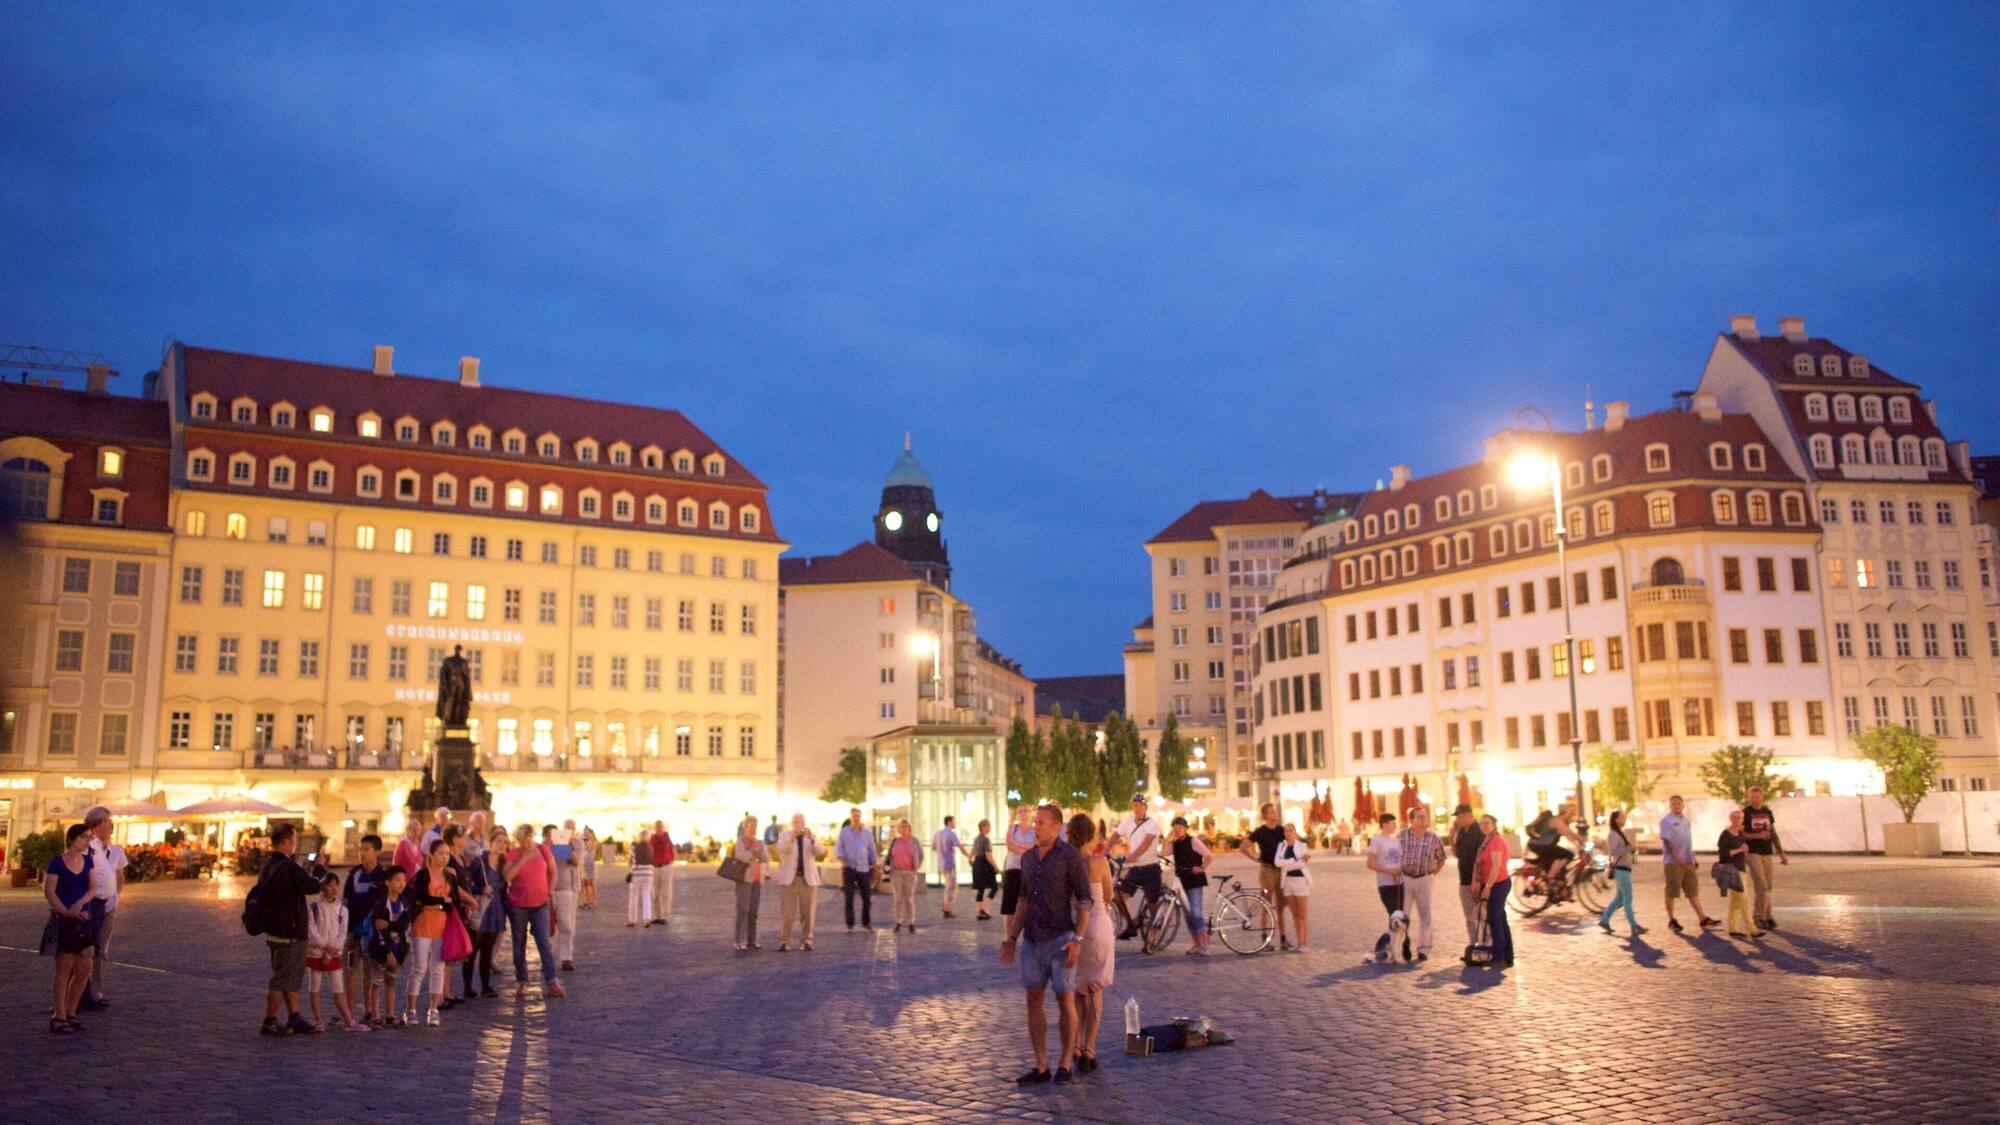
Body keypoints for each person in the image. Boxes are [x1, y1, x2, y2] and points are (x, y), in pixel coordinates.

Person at [1000, 804, 1092, 1087]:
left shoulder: (1070, 857)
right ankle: (1041, 1064)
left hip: (1061, 939)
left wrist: (1077, 938)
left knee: (1065, 1000)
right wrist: (1012, 938)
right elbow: (1023, 900)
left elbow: (1085, 900)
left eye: (1041, 823)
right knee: (1033, 1000)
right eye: (1035, 823)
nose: (1035, 828)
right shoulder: (1027, 859)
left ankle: (1065, 1062)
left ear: (1056, 827)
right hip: (1032, 940)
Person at [253, 823, 326, 1036]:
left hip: (274, 929)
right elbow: (313, 886)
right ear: (285, 842)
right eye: (293, 840)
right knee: (282, 978)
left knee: (289, 977)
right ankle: (270, 1020)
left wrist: (302, 869)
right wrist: (319, 868)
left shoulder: (269, 866)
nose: (294, 844)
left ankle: (294, 1016)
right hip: (290, 931)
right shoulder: (288, 867)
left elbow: (293, 885)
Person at [1066, 813, 1116, 1077]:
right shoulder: (1099, 862)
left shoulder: (1066, 862)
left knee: (1076, 990)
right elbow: (1108, 896)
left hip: (1074, 929)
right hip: (1098, 926)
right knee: (1095, 989)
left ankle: (1073, 1046)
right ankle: (1089, 1049)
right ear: (1092, 835)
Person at [405, 838, 471, 1026]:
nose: (444, 858)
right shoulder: (423, 875)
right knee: (419, 968)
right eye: (441, 854)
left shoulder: (450, 876)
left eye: (447, 854)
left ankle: (433, 1008)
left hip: (442, 927)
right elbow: (422, 897)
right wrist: (442, 902)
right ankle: (411, 1009)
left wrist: (450, 904)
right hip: (423, 925)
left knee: (438, 968)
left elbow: (455, 900)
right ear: (432, 855)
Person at [42, 823, 97, 1035]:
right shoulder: (57, 862)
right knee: (64, 967)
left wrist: (79, 904)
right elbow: (50, 891)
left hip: (83, 918)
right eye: (84, 837)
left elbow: (92, 888)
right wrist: (66, 911)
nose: (87, 841)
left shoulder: (88, 861)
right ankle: (59, 1015)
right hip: (63, 920)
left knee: (84, 967)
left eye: (89, 838)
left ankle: (72, 1012)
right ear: (72, 839)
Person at [503, 823, 564, 999]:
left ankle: (552, 981)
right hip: (518, 906)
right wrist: (523, 858)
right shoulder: (514, 854)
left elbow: (553, 872)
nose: (528, 845)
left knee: (544, 942)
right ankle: (522, 981)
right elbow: (507, 877)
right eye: (524, 842)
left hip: (540, 905)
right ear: (519, 841)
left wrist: (549, 892)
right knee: (518, 943)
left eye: (530, 841)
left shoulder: (543, 850)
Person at [305, 876, 367, 1031]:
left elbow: (342, 934)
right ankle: (318, 1020)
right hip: (315, 952)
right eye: (329, 885)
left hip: (333, 954)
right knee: (314, 987)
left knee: (338, 987)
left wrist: (331, 951)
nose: (333, 889)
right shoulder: (314, 907)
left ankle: (348, 1019)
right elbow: (311, 932)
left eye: (335, 886)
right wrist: (325, 946)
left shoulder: (342, 910)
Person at [80, 805, 125, 1012]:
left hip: (108, 905)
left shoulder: (113, 850)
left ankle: (95, 993)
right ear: (99, 823)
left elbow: (118, 879)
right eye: (108, 822)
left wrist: (113, 895)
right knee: (85, 950)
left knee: (101, 951)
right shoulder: (88, 844)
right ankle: (81, 993)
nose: (111, 826)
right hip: (91, 905)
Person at [341, 834, 389, 1019]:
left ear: (376, 851)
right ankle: (349, 1011)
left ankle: (369, 1010)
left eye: (366, 849)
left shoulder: (382, 877)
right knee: (351, 971)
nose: (362, 853)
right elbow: (345, 902)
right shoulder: (354, 875)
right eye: (360, 849)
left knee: (370, 972)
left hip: (372, 934)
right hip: (354, 931)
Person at [1659, 795, 1720, 933]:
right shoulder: (1666, 821)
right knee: (1672, 892)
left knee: (1692, 891)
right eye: (1673, 804)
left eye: (1678, 803)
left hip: (1688, 862)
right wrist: (1676, 857)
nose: (1676, 806)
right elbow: (1666, 842)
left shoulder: (1686, 821)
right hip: (1673, 863)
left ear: (1683, 805)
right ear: (1670, 806)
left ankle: (1703, 918)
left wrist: (1693, 858)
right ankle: (1671, 920)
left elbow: (1688, 842)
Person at [1109, 794, 1162, 941]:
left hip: (1150, 868)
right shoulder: (1128, 821)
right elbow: (1116, 835)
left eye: (1140, 805)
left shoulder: (1152, 823)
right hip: (1135, 869)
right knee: (1119, 898)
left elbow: (1146, 843)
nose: (1137, 808)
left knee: (1152, 903)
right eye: (1134, 805)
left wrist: (1133, 856)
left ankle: (1153, 934)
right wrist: (1105, 851)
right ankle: (1131, 924)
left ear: (1145, 807)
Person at [1238, 803, 1290, 949]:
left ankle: (1283, 939)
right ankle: (1265, 939)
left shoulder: (1281, 830)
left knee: (1280, 906)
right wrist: (1255, 858)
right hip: (1267, 871)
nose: (1275, 813)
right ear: (1265, 815)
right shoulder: (1260, 831)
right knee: (1266, 904)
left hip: (1281, 871)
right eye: (1272, 812)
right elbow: (1243, 846)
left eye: (1275, 811)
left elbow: (1292, 843)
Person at [1396, 806, 1445, 962]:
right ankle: (1403, 945)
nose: (1424, 819)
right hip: (1406, 879)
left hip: (1425, 878)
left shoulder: (1433, 837)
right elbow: (1394, 855)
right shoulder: (1402, 836)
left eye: (1425, 816)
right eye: (1420, 817)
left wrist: (1431, 875)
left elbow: (1442, 858)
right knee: (1403, 914)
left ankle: (1423, 949)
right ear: (1411, 820)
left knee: (1426, 915)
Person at [363, 866, 411, 1026]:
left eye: (403, 880)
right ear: (388, 882)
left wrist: (390, 925)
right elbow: (377, 926)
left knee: (391, 980)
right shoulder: (381, 903)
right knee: (376, 980)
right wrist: (387, 949)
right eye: (397, 880)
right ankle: (375, 1013)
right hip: (380, 947)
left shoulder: (404, 902)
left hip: (398, 944)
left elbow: (403, 924)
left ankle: (390, 1014)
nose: (401, 883)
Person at [775, 813, 825, 951]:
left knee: (808, 913)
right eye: (796, 821)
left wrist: (813, 840)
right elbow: (780, 850)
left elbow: (821, 852)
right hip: (789, 880)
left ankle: (807, 940)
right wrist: (791, 837)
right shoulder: (784, 835)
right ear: (792, 823)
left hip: (808, 880)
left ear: (804, 823)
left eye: (801, 822)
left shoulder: (811, 836)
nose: (798, 824)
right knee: (788, 913)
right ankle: (785, 941)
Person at [467, 828, 508, 998]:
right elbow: (468, 883)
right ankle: (467, 987)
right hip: (481, 907)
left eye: (505, 842)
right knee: (473, 949)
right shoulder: (479, 862)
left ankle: (485, 985)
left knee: (487, 950)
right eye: (498, 841)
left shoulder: (504, 864)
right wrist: (481, 889)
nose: (501, 845)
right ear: (490, 843)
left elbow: (505, 889)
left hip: (496, 907)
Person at [1741, 786, 1787, 932]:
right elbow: (1741, 834)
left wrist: (1781, 853)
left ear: (1762, 797)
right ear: (1748, 797)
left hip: (1767, 852)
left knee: (1768, 886)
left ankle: (1767, 916)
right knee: (1761, 885)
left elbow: (1773, 833)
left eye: (1757, 796)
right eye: (1752, 796)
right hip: (1753, 853)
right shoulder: (1745, 813)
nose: (1755, 799)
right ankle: (1758, 917)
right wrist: (1757, 836)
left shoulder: (1767, 812)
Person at [1470, 814, 1513, 968]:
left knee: (1494, 919)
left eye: (1487, 823)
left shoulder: (1495, 842)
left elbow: (1496, 866)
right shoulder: (1488, 840)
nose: (1484, 826)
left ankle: (1499, 956)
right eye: (1481, 823)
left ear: (1494, 824)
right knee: (1500, 919)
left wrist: (1488, 887)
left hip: (1498, 884)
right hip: (1494, 883)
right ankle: (1507, 956)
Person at [1166, 816, 1213, 954]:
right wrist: (1166, 839)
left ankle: (1205, 946)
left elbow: (1209, 856)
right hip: (1181, 881)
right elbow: (1163, 852)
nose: (1177, 830)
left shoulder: (1193, 841)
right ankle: (1196, 944)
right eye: (1174, 828)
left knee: (1196, 913)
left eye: (1179, 828)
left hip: (1194, 880)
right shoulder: (1175, 843)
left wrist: (1202, 867)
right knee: (1187, 915)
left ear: (1185, 829)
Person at [1365, 812, 1406, 959]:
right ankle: (1388, 948)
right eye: (1393, 823)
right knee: (1393, 916)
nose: (1395, 826)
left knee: (1401, 917)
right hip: (1385, 884)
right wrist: (1388, 871)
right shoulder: (1376, 841)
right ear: (1384, 824)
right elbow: (1370, 864)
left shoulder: (1396, 840)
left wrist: (1400, 871)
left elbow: (1400, 860)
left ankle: (1398, 948)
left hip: (1399, 883)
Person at [1716, 811, 1761, 939]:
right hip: (1730, 870)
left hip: (1741, 870)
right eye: (1734, 817)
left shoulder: (1740, 834)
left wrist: (1744, 849)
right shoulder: (1725, 834)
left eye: (1739, 818)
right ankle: (1752, 929)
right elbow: (1723, 854)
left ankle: (1733, 929)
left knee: (1735, 901)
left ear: (1742, 820)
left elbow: (1743, 849)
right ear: (1730, 819)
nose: (1736, 820)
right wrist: (1740, 849)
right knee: (1744, 899)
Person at [1445, 804, 1485, 947]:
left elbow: (1482, 858)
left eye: (1460, 817)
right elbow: (1457, 854)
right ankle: (1474, 943)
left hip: (1479, 881)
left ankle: (1486, 944)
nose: (1458, 820)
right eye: (1457, 817)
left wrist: (1478, 880)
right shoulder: (1460, 831)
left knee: (1483, 915)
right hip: (1464, 880)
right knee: (1469, 916)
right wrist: (1452, 838)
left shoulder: (1479, 831)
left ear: (1469, 815)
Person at [1597, 810, 1642, 935]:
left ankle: (1605, 920)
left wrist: (1631, 850)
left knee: (1620, 898)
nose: (1625, 819)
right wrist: (1628, 848)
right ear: (1616, 819)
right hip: (1621, 869)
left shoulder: (1619, 832)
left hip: (1624, 868)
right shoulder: (1613, 834)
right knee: (1628, 898)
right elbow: (1613, 851)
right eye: (1622, 817)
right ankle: (1634, 926)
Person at [836, 807, 879, 932]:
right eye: (854, 816)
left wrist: (875, 866)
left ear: (860, 817)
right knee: (849, 897)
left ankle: (866, 922)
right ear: (850, 817)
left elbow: (872, 851)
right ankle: (850, 924)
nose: (856, 818)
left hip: (863, 868)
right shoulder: (844, 832)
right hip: (849, 868)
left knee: (867, 897)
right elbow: (839, 848)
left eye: (858, 816)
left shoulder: (867, 833)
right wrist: (843, 861)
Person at [1525, 805, 1582, 894]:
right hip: (1540, 845)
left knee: (1560, 861)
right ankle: (1550, 876)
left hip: (1541, 845)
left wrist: (1586, 841)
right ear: (1566, 813)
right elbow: (1569, 835)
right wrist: (1580, 845)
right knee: (1568, 854)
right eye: (1572, 813)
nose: (1573, 815)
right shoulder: (1556, 821)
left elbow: (1572, 834)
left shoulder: (1561, 821)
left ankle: (1553, 888)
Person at [1274, 823, 1313, 952]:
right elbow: (1277, 863)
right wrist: (1292, 860)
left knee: (1302, 913)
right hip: (1287, 882)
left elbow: (1301, 864)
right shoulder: (1281, 846)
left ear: (1295, 832)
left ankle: (1304, 943)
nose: (1287, 833)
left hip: (1300, 881)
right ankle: (1298, 942)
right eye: (1285, 831)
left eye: (1290, 830)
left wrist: (1287, 864)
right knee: (1294, 914)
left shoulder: (1302, 846)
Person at [731, 816, 768, 951]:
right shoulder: (740, 841)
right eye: (751, 825)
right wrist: (754, 852)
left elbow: (765, 857)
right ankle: (739, 940)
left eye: (755, 825)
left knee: (753, 911)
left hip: (757, 880)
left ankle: (751, 940)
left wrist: (755, 852)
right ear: (745, 826)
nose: (754, 828)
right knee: (742, 910)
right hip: (745, 879)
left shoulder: (760, 842)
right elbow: (742, 856)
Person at [548, 824, 581, 972]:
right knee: (549, 926)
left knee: (566, 924)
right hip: (548, 891)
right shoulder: (543, 849)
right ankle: (548, 957)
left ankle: (566, 957)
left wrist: (569, 847)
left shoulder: (563, 849)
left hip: (565, 889)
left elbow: (575, 862)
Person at [886, 818, 925, 933]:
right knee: (897, 899)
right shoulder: (894, 841)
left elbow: (921, 856)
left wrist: (916, 869)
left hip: (910, 873)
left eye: (906, 827)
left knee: (909, 899)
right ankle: (898, 921)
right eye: (901, 827)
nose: (904, 829)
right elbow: (889, 856)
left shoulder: (914, 841)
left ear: (909, 828)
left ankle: (911, 922)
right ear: (899, 828)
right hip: (896, 873)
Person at [1000, 804, 1035, 919]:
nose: (1023, 813)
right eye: (1020, 811)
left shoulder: (1035, 830)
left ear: (1031, 813)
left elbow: (1035, 846)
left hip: (1029, 869)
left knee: (1029, 904)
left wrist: (1018, 844)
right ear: (1017, 815)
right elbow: (1010, 845)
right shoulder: (1012, 828)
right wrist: (1026, 848)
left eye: (1026, 810)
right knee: (1010, 907)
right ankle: (1008, 935)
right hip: (1013, 868)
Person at [932, 815, 965, 919]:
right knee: (951, 887)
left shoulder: (937, 834)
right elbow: (960, 846)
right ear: (949, 822)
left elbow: (934, 847)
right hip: (950, 864)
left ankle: (947, 908)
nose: (955, 823)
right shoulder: (951, 834)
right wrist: (969, 856)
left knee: (949, 885)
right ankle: (947, 908)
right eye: (954, 821)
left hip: (941, 863)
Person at [970, 818, 999, 921]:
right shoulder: (986, 840)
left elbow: (971, 852)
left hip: (977, 863)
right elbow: (988, 855)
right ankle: (984, 908)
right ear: (983, 827)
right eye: (988, 826)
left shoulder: (976, 839)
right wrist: (996, 867)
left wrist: (970, 861)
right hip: (984, 864)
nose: (989, 828)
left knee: (980, 889)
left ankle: (980, 913)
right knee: (994, 887)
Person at [649, 819, 676, 924]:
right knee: (655, 893)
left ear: (663, 827)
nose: (658, 828)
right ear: (654, 828)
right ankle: (657, 915)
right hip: (655, 867)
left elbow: (673, 850)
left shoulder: (668, 837)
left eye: (660, 826)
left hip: (666, 866)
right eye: (656, 826)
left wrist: (670, 861)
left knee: (666, 892)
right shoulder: (652, 838)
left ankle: (665, 915)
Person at [627, 831, 655, 928]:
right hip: (648, 874)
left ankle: (632, 920)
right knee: (646, 896)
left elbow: (630, 861)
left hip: (636, 874)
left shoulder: (634, 847)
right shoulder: (650, 848)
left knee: (633, 896)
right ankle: (647, 919)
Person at [392, 817, 425, 885]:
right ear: (408, 831)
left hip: (417, 881)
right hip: (405, 881)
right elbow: (395, 863)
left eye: (418, 830)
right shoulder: (402, 844)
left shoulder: (419, 845)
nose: (416, 832)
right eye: (414, 830)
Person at [579, 826, 599, 908]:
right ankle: (585, 901)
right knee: (584, 883)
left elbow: (588, 849)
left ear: (591, 833)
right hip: (584, 863)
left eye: (587, 832)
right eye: (585, 832)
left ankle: (593, 901)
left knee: (591, 883)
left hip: (591, 864)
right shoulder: (584, 841)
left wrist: (583, 842)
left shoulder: (594, 841)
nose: (586, 834)